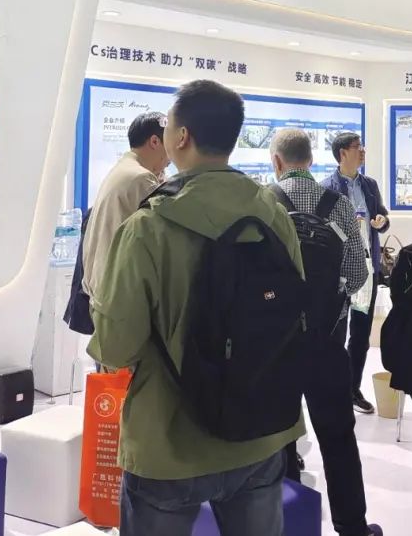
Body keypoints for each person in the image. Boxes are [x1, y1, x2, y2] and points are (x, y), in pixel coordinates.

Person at [88, 80, 305, 536]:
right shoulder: (272, 213)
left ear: (182, 136)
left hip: (169, 441)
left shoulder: (148, 227)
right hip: (261, 428)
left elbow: (116, 346)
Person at [269, 129, 383, 536]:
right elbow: (357, 274)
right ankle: (352, 526)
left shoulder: (263, 202)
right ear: (311, 161)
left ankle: (287, 523)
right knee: (338, 438)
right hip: (327, 340)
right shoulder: (337, 204)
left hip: (275, 346)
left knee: (278, 439)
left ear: (277, 162)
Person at [322, 132, 390, 415]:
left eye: (362, 147)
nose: (362, 151)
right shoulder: (326, 188)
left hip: (367, 269)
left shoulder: (369, 185)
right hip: (338, 272)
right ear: (342, 154)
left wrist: (381, 221)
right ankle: (334, 391)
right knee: (336, 333)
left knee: (361, 334)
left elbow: (383, 217)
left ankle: (353, 389)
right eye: (356, 147)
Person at [82, 111, 168, 305]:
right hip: (118, 294)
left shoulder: (125, 168)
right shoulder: (141, 178)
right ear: (155, 142)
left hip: (103, 288)